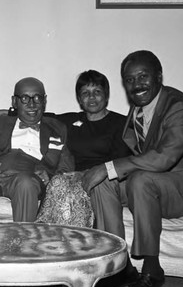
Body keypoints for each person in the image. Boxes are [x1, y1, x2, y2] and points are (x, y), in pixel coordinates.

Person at [82, 50, 183, 287]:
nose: (137, 84)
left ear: (159, 76)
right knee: (105, 182)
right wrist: (106, 171)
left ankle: (152, 269)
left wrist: (109, 166)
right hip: (157, 183)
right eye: (129, 79)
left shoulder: (180, 108)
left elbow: (163, 158)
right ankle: (119, 265)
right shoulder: (139, 110)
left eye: (143, 76)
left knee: (136, 178)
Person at [0, 77, 73, 222]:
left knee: (25, 184)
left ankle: (24, 242)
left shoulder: (57, 128)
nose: (32, 104)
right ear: (14, 102)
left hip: (28, 178)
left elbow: (67, 168)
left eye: (37, 98)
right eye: (25, 98)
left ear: (44, 101)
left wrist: (50, 177)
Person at [35, 70, 130, 227]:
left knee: (66, 188)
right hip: (70, 178)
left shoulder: (120, 123)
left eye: (97, 92)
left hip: (102, 180)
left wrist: (83, 174)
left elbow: (119, 161)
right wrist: (8, 113)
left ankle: (78, 242)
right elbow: (39, 116)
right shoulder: (71, 120)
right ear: (79, 98)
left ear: (106, 95)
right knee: (58, 182)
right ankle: (47, 236)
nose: (91, 97)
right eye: (85, 93)